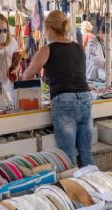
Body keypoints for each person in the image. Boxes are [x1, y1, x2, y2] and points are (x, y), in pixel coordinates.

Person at [22, 11, 93, 167]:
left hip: (64, 101)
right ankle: (92, 188)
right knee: (86, 153)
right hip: (85, 98)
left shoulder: (47, 50)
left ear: (49, 29)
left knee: (67, 157)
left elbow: (27, 74)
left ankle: (70, 189)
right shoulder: (78, 47)